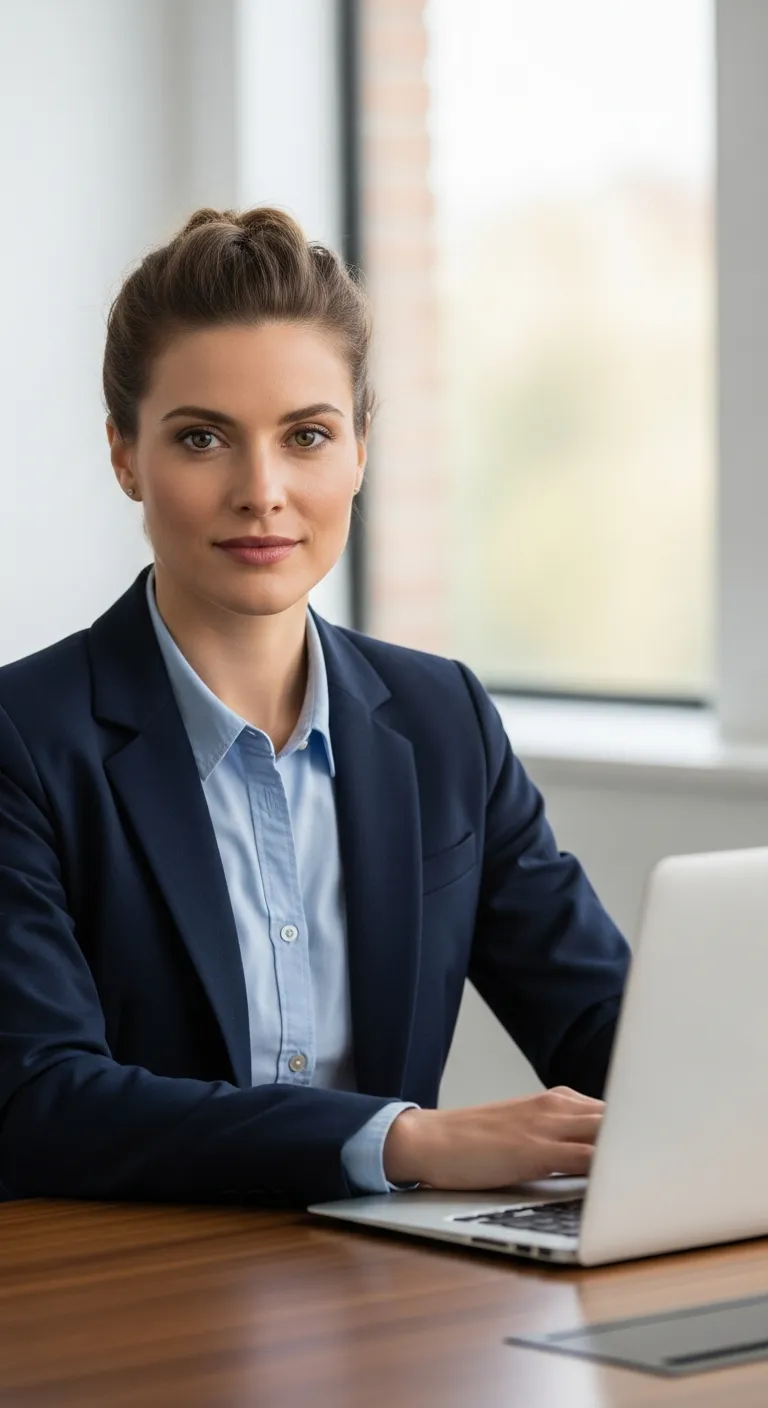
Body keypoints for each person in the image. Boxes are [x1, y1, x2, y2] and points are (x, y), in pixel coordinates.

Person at [0, 207, 630, 1206]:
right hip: (132, 1276)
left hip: (391, 1273)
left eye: (307, 436)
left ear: (361, 449)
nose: (263, 491)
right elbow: (38, 1099)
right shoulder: (25, 740)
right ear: (125, 454)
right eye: (202, 438)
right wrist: (403, 1141)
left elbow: (605, 1024)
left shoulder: (444, 720)